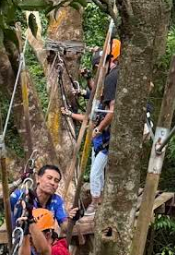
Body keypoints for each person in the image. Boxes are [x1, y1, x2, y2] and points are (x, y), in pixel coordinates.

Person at [62, 38, 120, 214]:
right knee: (97, 173)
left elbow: (96, 116)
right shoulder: (101, 101)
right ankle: (98, 200)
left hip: (104, 143)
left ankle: (96, 203)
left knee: (95, 173)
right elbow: (89, 115)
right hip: (98, 143)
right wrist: (70, 114)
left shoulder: (107, 99)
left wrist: (97, 129)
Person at [10, 164, 76, 232]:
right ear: (38, 179)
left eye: (56, 181)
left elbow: (65, 228)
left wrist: (72, 219)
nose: (52, 183)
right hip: (21, 238)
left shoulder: (57, 200)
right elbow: (6, 202)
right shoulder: (21, 195)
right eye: (49, 178)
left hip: (45, 240)